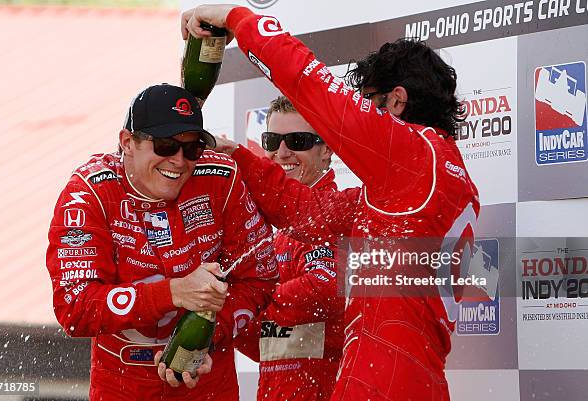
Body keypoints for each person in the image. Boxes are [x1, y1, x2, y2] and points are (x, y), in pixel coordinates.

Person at [181, 6, 481, 401]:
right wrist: (238, 155)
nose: (364, 114)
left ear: (396, 102)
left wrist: (237, 18)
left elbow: (308, 82)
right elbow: (305, 214)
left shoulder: (414, 155)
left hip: (380, 384)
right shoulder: (433, 179)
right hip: (413, 379)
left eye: (368, 102)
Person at [46, 83, 278, 401]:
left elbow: (259, 278)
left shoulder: (221, 180)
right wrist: (173, 293)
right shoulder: (90, 194)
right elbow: (75, 307)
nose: (180, 161)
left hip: (208, 384)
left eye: (192, 148)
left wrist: (204, 338)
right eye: (166, 146)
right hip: (123, 387)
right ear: (127, 142)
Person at [233, 96, 344, 401]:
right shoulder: (273, 229)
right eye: (272, 140)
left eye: (298, 141)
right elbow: (262, 344)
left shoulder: (334, 216)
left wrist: (245, 303)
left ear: (326, 151)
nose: (282, 153)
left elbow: (327, 289)